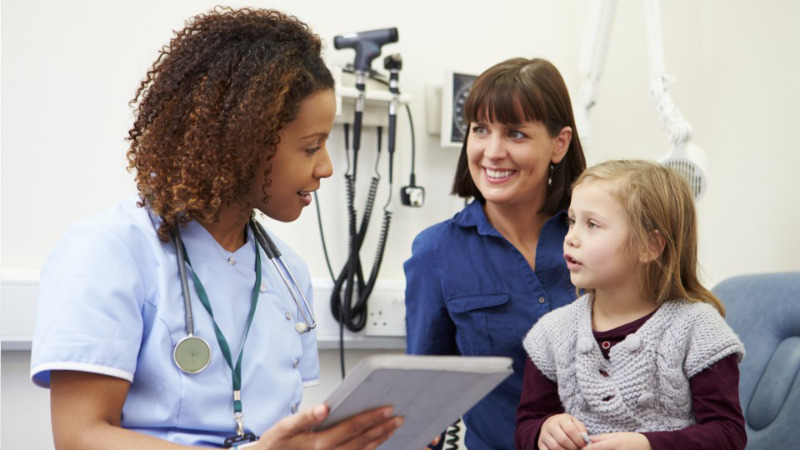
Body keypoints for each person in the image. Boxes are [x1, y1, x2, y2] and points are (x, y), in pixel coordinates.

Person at [29, 7, 403, 449]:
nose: (326, 167)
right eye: (311, 147)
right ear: (243, 143)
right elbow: (79, 437)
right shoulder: (108, 251)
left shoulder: (287, 272)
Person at [404, 57, 587, 449]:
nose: (492, 151)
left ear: (560, 144)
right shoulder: (437, 253)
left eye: (516, 134)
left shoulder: (597, 236)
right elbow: (423, 399)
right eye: (480, 129)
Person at [516, 160, 746, 450]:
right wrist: (544, 431)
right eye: (572, 221)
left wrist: (647, 446)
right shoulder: (552, 333)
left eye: (592, 224)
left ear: (650, 246)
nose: (571, 238)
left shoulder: (698, 329)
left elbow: (728, 435)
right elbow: (527, 425)